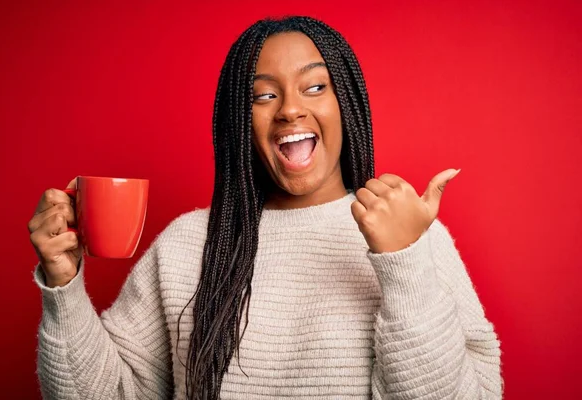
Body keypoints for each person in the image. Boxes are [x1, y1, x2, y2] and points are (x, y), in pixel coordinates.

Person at [29, 16, 503, 400]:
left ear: (347, 103)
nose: (290, 110)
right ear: (240, 121)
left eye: (315, 87)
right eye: (264, 95)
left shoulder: (412, 239)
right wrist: (63, 286)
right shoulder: (187, 244)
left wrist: (404, 262)